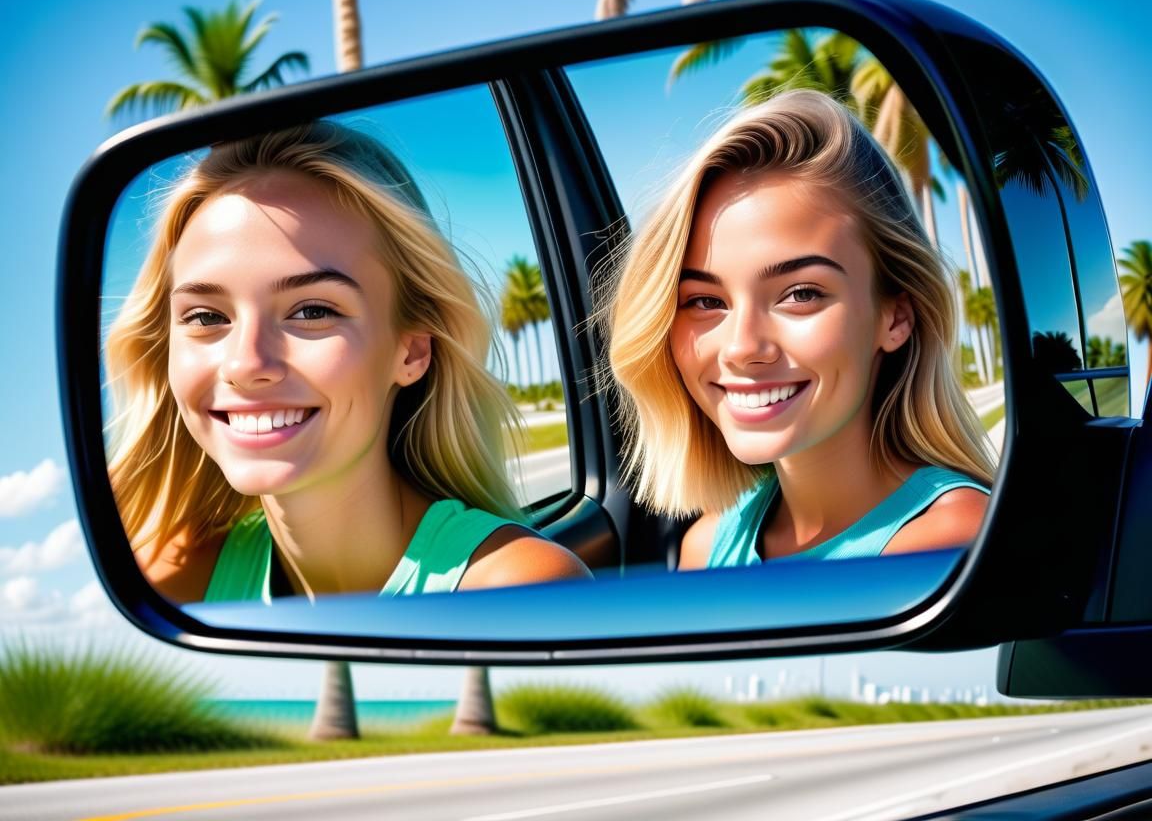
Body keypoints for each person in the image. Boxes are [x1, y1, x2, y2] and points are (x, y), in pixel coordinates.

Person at [105, 121, 591, 603]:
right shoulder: (173, 580)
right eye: (207, 316)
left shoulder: (519, 590)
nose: (246, 362)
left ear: (412, 351)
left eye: (313, 311)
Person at [602, 89, 996, 569]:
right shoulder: (705, 547)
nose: (742, 347)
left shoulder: (953, 542)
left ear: (895, 317)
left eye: (801, 294)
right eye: (706, 301)